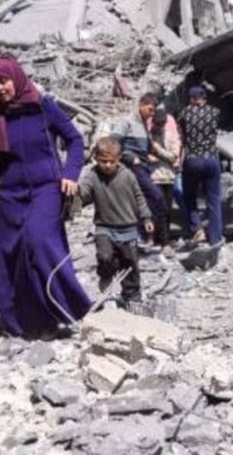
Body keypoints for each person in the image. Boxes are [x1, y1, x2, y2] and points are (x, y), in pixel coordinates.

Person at [0, 54, 92, 339]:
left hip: (47, 188)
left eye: (4, 80)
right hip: (11, 195)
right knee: (11, 255)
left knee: (39, 241)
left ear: (17, 78)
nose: (0, 87)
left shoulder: (43, 106)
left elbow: (75, 139)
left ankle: (77, 308)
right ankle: (32, 323)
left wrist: (71, 174)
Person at [78, 137, 154, 307]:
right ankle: (106, 277)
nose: (107, 165)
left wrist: (146, 217)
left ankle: (132, 296)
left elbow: (139, 197)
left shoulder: (128, 176)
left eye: (111, 162)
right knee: (104, 256)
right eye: (103, 161)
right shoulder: (93, 176)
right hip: (104, 227)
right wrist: (73, 199)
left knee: (130, 263)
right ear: (96, 158)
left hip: (128, 228)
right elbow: (81, 195)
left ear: (118, 159)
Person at [112, 92, 166, 240]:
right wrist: (129, 157)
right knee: (157, 196)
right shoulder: (127, 122)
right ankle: (149, 235)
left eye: (154, 110)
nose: (152, 113)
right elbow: (113, 144)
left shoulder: (143, 125)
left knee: (143, 201)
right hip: (132, 167)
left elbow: (144, 148)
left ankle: (143, 236)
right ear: (141, 105)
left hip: (144, 166)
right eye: (150, 109)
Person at [177, 85, 223, 246]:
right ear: (204, 98)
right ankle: (215, 238)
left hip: (192, 160)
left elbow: (181, 137)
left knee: (189, 197)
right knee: (214, 200)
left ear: (191, 99)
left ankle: (197, 229)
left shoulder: (184, 113)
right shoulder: (215, 112)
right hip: (211, 158)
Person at [148, 108, 181, 257]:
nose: (159, 126)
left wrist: (158, 151)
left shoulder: (170, 136)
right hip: (154, 177)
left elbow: (173, 156)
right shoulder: (148, 137)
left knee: (167, 210)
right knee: (158, 210)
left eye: (162, 123)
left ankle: (164, 239)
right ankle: (162, 241)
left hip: (168, 177)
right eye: (157, 123)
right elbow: (144, 154)